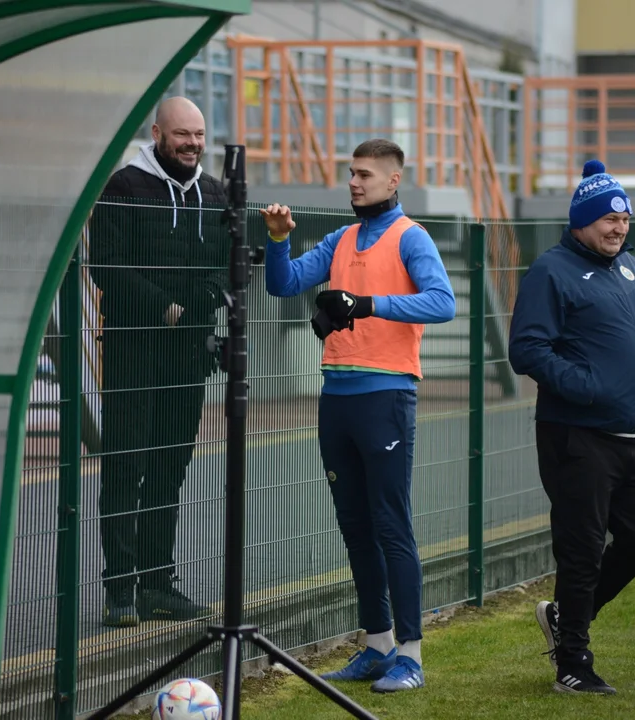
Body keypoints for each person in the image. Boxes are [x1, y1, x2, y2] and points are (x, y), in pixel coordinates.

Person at [259, 138, 455, 693]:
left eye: (365, 174)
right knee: (355, 528)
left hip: (386, 398)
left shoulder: (410, 237)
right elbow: (284, 283)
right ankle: (376, 645)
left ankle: (411, 657)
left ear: (394, 181)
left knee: (391, 526)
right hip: (337, 399)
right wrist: (279, 240)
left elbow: (443, 302)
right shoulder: (341, 238)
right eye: (351, 173)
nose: (355, 182)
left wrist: (368, 305)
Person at [507, 160, 635, 695]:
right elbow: (527, 348)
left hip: (633, 435)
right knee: (580, 551)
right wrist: (586, 386)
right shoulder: (552, 271)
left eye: (624, 218)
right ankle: (573, 663)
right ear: (582, 220)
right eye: (608, 218)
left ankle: (565, 617)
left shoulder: (632, 268)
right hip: (575, 435)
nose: (618, 227)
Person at [87, 97, 229, 627]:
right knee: (126, 466)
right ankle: (120, 590)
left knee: (170, 468)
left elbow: (226, 264)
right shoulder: (123, 187)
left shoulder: (214, 193)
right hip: (133, 350)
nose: (191, 144)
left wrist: (205, 303)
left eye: (198, 134)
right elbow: (107, 266)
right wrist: (166, 309)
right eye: (181, 135)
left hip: (189, 354)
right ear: (157, 133)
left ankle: (157, 583)